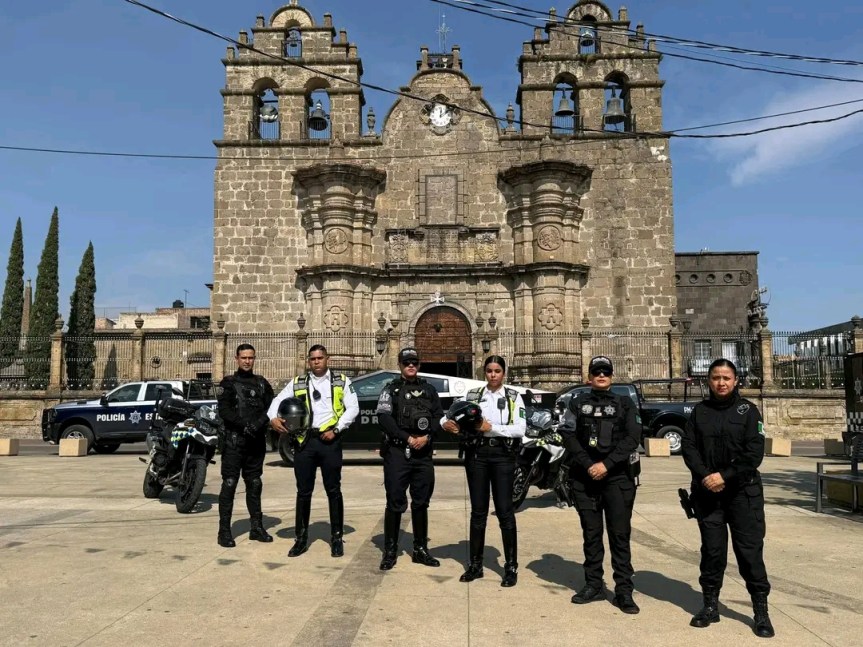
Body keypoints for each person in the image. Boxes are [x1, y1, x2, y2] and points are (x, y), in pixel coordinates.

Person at [681, 358, 774, 638]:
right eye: (715, 377)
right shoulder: (700, 412)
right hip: (709, 496)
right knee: (712, 553)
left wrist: (725, 476)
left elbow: (753, 453)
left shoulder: (748, 411)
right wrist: (707, 476)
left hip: (743, 495)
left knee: (749, 554)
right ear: (708, 381)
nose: (721, 382)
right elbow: (689, 447)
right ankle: (710, 606)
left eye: (726, 378)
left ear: (736, 381)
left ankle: (760, 612)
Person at [560, 355, 641, 614]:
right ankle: (593, 585)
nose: (602, 375)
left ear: (612, 376)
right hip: (585, 477)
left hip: (617, 476)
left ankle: (623, 591)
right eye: (597, 372)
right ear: (589, 377)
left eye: (606, 372)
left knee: (619, 535)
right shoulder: (577, 402)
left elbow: (632, 437)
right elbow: (568, 435)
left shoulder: (625, 403)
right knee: (591, 534)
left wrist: (606, 464)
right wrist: (587, 464)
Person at [442, 355, 526, 587]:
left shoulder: (513, 397)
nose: (493, 375)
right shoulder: (473, 396)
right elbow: (449, 414)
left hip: (502, 456)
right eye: (489, 370)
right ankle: (476, 565)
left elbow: (520, 429)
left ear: (503, 373)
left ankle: (510, 566)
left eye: (497, 371)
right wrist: (445, 424)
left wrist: (492, 429)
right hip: (477, 455)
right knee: (478, 512)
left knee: (505, 511)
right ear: (484, 372)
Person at [268, 345, 359, 558]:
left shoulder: (341, 381)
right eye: (313, 359)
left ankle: (336, 538)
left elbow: (353, 407)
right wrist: (273, 418)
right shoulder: (298, 382)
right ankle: (301, 538)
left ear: (328, 358)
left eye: (320, 358)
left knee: (333, 490)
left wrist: (336, 430)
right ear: (309, 361)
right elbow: (276, 401)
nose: (316, 362)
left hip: (329, 440)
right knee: (303, 492)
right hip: (305, 441)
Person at [376, 347, 445, 571]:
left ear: (419, 364)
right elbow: (384, 418)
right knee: (395, 502)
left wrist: (427, 437)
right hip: (398, 452)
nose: (411, 366)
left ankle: (420, 549)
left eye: (414, 362)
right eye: (407, 363)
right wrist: (407, 438)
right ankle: (390, 550)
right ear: (400, 365)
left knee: (421, 502)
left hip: (423, 453)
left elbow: (438, 418)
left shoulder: (429, 390)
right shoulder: (390, 390)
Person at [216, 343, 275, 548]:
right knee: (230, 484)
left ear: (254, 359)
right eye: (244, 358)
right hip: (234, 442)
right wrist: (245, 425)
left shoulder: (261, 384)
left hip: (255, 443)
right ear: (237, 359)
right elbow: (224, 411)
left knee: (255, 483)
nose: (247, 361)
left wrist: (258, 425)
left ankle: (256, 528)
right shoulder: (229, 383)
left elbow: (271, 407)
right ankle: (224, 531)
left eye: (251, 358)